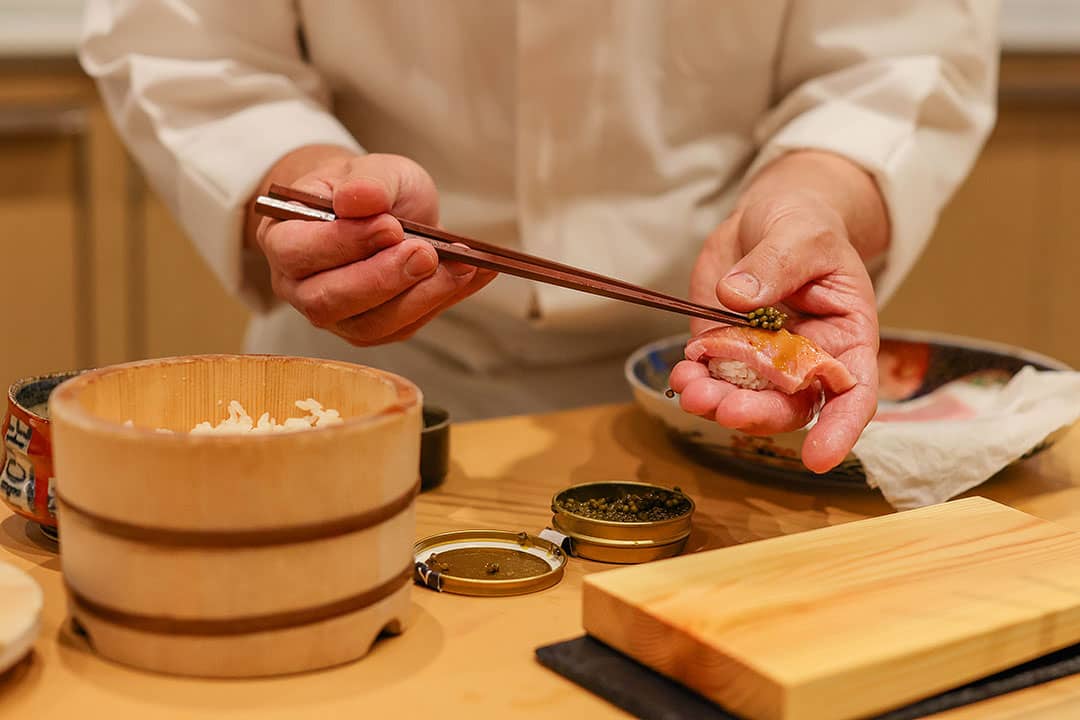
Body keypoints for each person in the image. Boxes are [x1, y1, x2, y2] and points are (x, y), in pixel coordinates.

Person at [79, 2, 999, 472]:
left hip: (724, 391)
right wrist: (314, 183)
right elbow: (189, 43)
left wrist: (816, 197)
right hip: (372, 386)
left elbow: (902, 51)